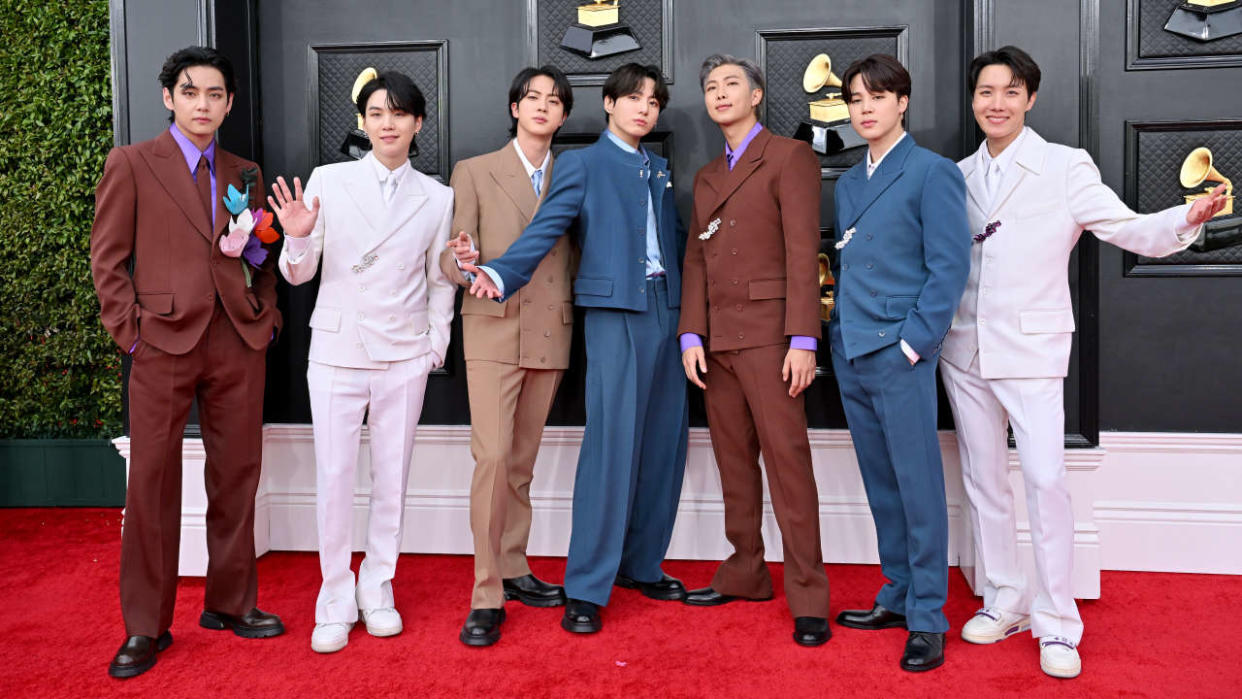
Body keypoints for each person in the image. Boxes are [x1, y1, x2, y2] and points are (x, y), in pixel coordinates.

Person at [943, 45, 1225, 679]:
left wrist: (1189, 216)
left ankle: (1057, 622)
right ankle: (1004, 597)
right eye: (987, 91)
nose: (997, 102)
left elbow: (1128, 229)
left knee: (1045, 480)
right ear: (973, 99)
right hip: (963, 348)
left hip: (1034, 349)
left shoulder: (1065, 167)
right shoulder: (956, 176)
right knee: (984, 482)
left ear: (1031, 99)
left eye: (1011, 91)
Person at [461, 63, 689, 635]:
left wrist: (695, 322)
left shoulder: (658, 168)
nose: (644, 108)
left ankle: (642, 564)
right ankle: (587, 587)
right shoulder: (582, 164)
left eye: (653, 102)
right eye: (633, 98)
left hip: (669, 311)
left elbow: (681, 248)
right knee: (611, 445)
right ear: (608, 104)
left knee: (663, 444)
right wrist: (500, 270)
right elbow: (545, 229)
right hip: (615, 313)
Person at [91, 45, 285, 679]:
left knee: (236, 477)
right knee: (151, 484)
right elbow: (108, 261)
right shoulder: (131, 164)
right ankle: (146, 626)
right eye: (191, 92)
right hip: (161, 343)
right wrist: (133, 336)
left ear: (228, 103)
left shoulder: (244, 172)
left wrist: (265, 312)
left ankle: (230, 604)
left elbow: (257, 251)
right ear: (169, 97)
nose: (203, 104)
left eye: (215, 94)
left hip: (237, 340)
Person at [270, 71, 455, 654]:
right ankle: (333, 598)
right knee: (335, 480)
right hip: (336, 352)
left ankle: (378, 588)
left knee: (392, 482)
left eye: (399, 114)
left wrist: (434, 346)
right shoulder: (330, 180)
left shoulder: (438, 197)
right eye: (377, 113)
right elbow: (297, 273)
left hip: (404, 354)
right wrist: (296, 239)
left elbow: (439, 281)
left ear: (418, 123)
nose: (387, 123)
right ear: (363, 122)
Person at [677, 54, 831, 646]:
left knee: (789, 466)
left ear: (757, 94)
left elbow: (802, 252)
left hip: (773, 339)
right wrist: (692, 334)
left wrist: (802, 339)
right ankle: (744, 570)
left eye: (731, 84)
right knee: (733, 464)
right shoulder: (707, 175)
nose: (720, 94)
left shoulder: (790, 158)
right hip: (717, 344)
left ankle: (809, 595)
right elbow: (695, 257)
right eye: (710, 86)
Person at [827, 54, 970, 672]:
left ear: (902, 102)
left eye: (877, 97)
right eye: (856, 99)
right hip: (852, 345)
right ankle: (896, 591)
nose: (865, 109)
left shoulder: (932, 172)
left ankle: (929, 616)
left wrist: (915, 343)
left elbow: (950, 267)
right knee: (882, 482)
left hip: (898, 349)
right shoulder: (848, 181)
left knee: (918, 484)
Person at [440, 66, 576, 647]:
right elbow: (450, 259)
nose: (542, 106)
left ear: (564, 115)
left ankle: (516, 567)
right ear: (514, 107)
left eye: (554, 100)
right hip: (493, 330)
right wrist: (463, 261)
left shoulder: (574, 174)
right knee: (492, 459)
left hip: (549, 331)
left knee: (521, 463)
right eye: (532, 97)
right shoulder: (473, 171)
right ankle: (486, 592)